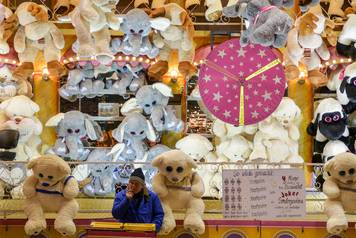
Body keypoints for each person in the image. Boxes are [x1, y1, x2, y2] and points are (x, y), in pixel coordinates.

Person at [112, 168, 164, 232]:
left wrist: (154, 228)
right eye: (131, 183)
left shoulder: (152, 197)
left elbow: (159, 214)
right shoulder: (121, 195)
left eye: (136, 184)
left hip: (145, 232)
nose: (133, 186)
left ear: (142, 186)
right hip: (125, 232)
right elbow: (116, 215)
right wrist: (127, 200)